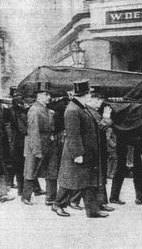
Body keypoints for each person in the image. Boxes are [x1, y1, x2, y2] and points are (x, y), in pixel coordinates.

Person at [52, 80, 108, 218]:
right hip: (76, 152)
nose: (91, 95)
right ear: (84, 94)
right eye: (89, 92)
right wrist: (78, 154)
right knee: (70, 181)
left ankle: (93, 210)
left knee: (88, 181)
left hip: (86, 152)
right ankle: (58, 204)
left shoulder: (82, 107)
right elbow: (73, 134)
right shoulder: (72, 110)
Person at [22, 82, 59, 206]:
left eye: (49, 94)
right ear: (38, 96)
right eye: (45, 94)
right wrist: (37, 150)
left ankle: (51, 198)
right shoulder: (34, 110)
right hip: (36, 145)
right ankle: (26, 197)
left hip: (49, 144)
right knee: (31, 171)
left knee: (52, 171)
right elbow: (33, 131)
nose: (48, 97)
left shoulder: (46, 109)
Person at [85, 90, 115, 212]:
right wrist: (106, 118)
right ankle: (74, 201)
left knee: (101, 177)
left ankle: (102, 202)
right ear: (90, 100)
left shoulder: (95, 112)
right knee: (93, 178)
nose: (100, 103)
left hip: (100, 148)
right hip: (93, 149)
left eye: (101, 100)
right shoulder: (88, 112)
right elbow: (99, 128)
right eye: (97, 100)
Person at [6, 87, 29, 196]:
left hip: (18, 141)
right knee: (18, 165)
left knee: (18, 165)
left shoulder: (20, 110)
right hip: (16, 141)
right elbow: (21, 128)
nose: (20, 99)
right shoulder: (12, 111)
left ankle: (17, 187)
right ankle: (18, 188)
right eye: (17, 97)